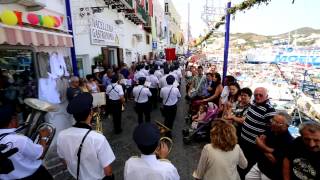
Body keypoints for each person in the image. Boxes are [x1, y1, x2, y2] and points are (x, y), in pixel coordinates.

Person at [57, 93, 115, 180]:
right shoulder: (98, 138)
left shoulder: (61, 135)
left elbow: (64, 161)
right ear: (91, 112)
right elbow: (108, 171)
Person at [0, 105, 53, 180]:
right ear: (12, 120)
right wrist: (43, 137)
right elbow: (40, 154)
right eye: (16, 117)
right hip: (32, 176)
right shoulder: (19, 140)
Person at [238, 87, 276, 179]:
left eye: (260, 95)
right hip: (243, 140)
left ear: (267, 96)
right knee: (240, 163)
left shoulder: (269, 109)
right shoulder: (254, 103)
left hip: (253, 146)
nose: (258, 97)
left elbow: (272, 128)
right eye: (256, 95)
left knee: (246, 167)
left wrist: (264, 137)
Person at [245, 112, 294, 180]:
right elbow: (258, 139)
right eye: (273, 120)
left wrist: (262, 146)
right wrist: (268, 149)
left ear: (287, 126)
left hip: (271, 175)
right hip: (259, 166)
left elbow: (273, 160)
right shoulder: (271, 129)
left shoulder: (289, 141)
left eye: (277, 123)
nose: (273, 124)